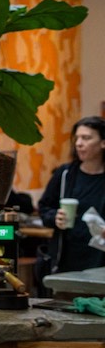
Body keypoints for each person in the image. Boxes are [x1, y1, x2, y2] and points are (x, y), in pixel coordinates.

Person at [37, 115, 105, 272]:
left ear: (103, 142)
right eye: (77, 138)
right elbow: (44, 206)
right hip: (67, 261)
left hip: (100, 261)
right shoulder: (65, 174)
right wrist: (55, 217)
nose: (79, 144)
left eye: (86, 138)